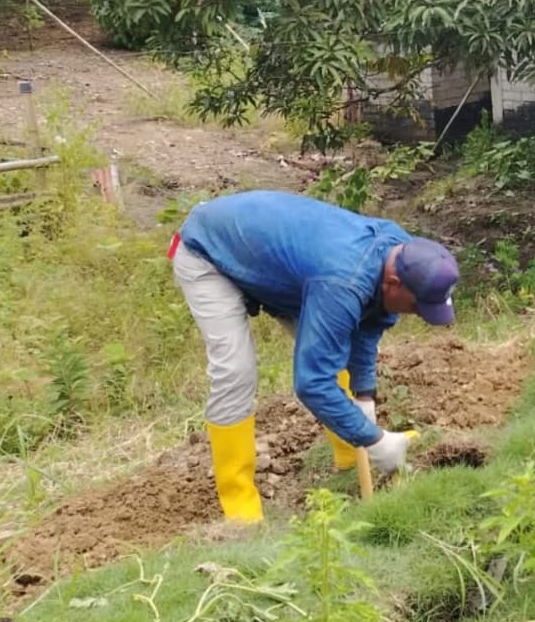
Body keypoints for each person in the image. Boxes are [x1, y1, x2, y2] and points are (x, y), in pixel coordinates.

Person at [168, 189, 459, 523]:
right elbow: (311, 383)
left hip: (275, 261)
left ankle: (352, 454)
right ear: (393, 283)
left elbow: (368, 324)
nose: (416, 315)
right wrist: (375, 439)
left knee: (334, 347)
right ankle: (240, 511)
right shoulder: (344, 281)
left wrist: (364, 395)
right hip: (210, 251)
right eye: (416, 307)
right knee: (236, 372)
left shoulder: (402, 254)